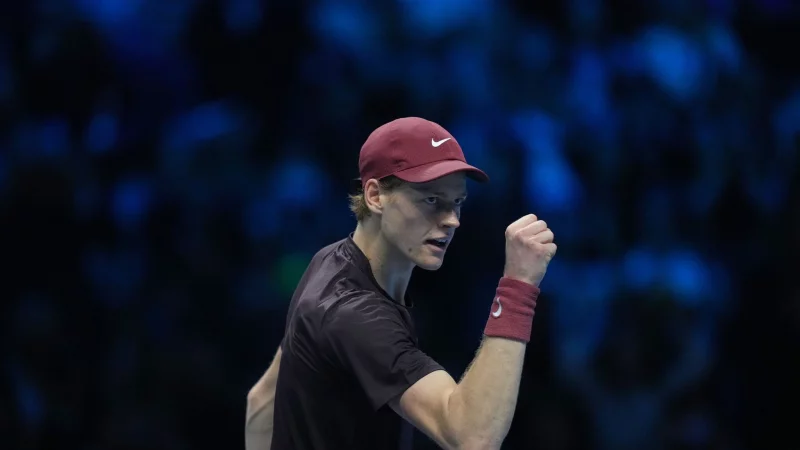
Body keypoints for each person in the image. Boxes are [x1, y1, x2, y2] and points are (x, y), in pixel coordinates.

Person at [245, 117, 557, 450]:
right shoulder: (354, 315)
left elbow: (262, 400)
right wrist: (519, 285)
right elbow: (472, 436)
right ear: (375, 195)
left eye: (457, 202)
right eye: (431, 200)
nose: (452, 220)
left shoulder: (329, 260)